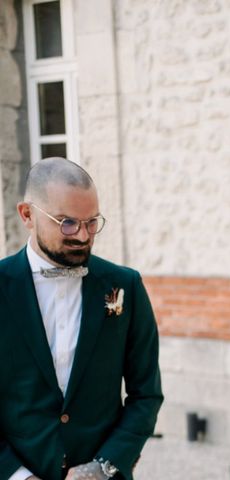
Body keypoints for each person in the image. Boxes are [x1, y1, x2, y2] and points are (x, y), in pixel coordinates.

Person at [0, 158, 163, 480]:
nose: (83, 236)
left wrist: (105, 465)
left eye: (92, 223)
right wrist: (18, 475)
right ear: (27, 215)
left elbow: (146, 394)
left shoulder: (125, 285)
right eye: (67, 223)